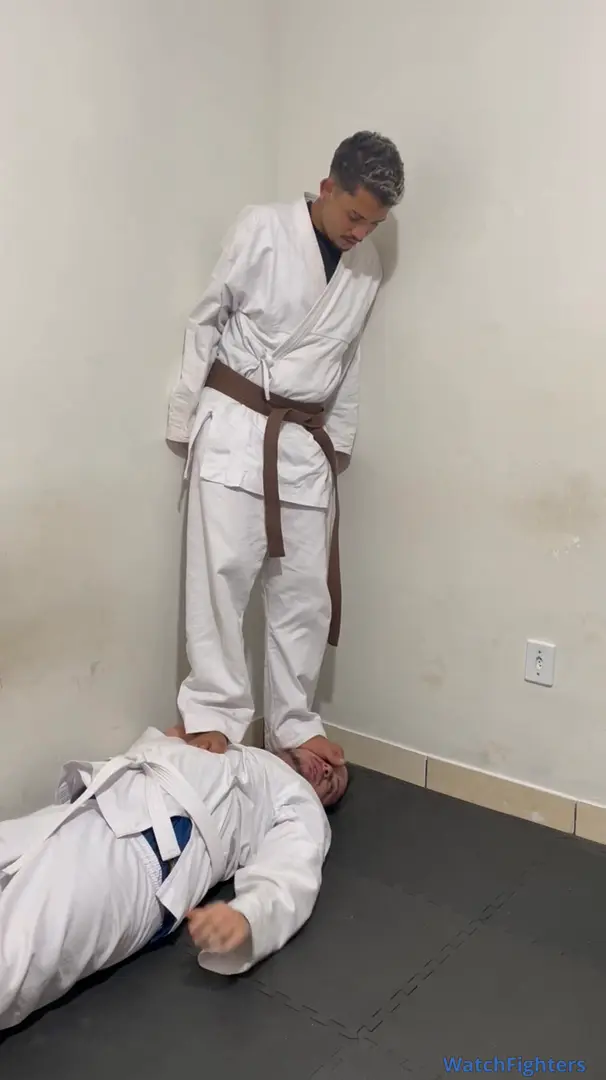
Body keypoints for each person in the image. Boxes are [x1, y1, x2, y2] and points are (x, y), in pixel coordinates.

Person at [167, 131, 404, 769]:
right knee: (220, 578)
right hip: (237, 423)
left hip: (304, 441)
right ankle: (213, 710)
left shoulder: (366, 266)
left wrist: (339, 444)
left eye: (375, 224)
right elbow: (207, 316)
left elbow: (346, 359)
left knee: (305, 592)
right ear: (327, 188)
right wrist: (183, 416)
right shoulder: (263, 227)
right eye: (354, 215)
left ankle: (294, 725)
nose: (360, 232)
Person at [0, 725, 348, 1032]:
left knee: (21, 948)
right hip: (91, 808)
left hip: (147, 858)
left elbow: (291, 871)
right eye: (329, 763)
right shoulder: (226, 741)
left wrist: (248, 915)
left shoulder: (300, 802)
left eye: (332, 785)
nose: (326, 772)